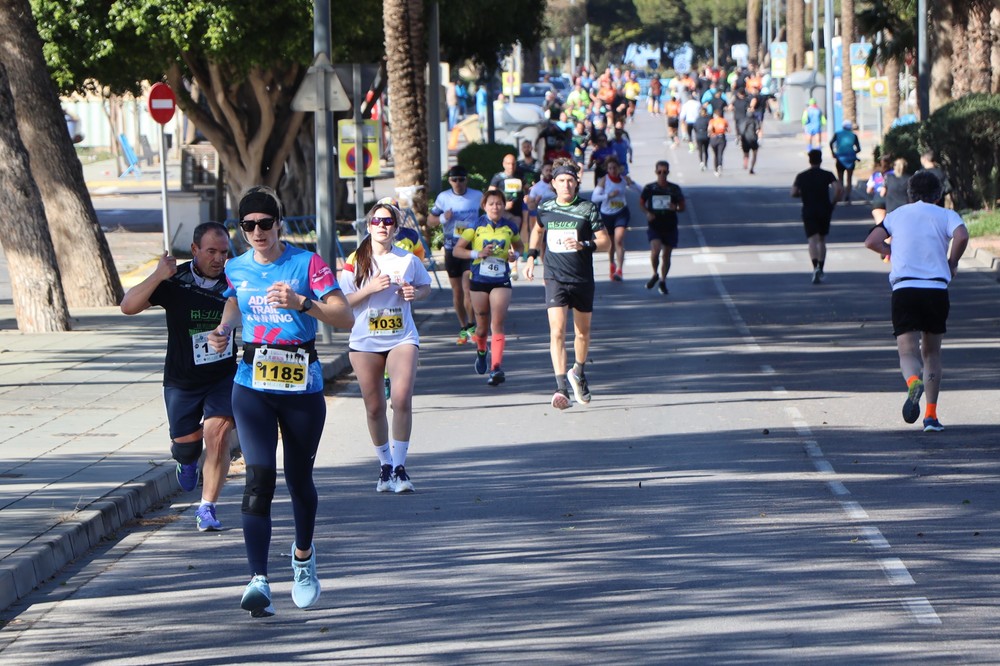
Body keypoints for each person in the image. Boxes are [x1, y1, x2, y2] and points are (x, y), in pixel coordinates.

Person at [207, 186, 353, 618]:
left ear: (279, 225)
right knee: (259, 477)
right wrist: (223, 328)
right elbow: (234, 303)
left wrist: (302, 302)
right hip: (251, 382)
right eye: (248, 225)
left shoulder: (307, 264)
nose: (257, 232)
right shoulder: (236, 267)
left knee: (298, 479)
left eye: (264, 224)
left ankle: (304, 559)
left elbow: (344, 316)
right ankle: (258, 579)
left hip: (301, 386)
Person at [120, 222, 236, 532]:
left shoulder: (235, 279)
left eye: (224, 252)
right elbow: (127, 306)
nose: (218, 259)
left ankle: (207, 507)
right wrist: (159, 274)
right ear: (195, 250)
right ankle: (186, 460)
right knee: (187, 445)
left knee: (219, 434)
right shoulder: (177, 280)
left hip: (223, 376)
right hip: (182, 378)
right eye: (211, 251)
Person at [863, 171, 968, 432]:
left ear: (910, 193)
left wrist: (889, 250)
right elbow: (962, 236)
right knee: (932, 353)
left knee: (907, 351)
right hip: (935, 289)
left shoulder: (897, 216)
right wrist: (952, 262)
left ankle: (913, 382)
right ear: (937, 194)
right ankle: (931, 417)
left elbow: (872, 241)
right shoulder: (946, 215)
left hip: (905, 288)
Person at [340, 202, 432, 492]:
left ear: (395, 227)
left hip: (402, 337)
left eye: (388, 221)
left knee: (402, 399)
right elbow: (342, 303)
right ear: (368, 226)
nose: (382, 225)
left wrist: (413, 292)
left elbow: (425, 286)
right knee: (375, 407)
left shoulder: (406, 259)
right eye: (377, 221)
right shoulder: (355, 260)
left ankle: (401, 468)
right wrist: (369, 289)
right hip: (365, 341)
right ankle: (384, 466)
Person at [523, 161, 611, 409]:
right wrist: (530, 257)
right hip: (555, 277)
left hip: (582, 278)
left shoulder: (587, 208)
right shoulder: (546, 208)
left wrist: (586, 245)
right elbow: (537, 231)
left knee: (582, 332)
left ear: (576, 183)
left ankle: (578, 372)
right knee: (557, 332)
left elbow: (606, 243)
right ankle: (561, 387)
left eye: (570, 180)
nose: (566, 184)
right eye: (561, 180)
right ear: (553, 183)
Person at [453, 190, 523, 386]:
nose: (496, 207)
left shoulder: (509, 227)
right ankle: (482, 351)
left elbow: (519, 247)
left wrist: (514, 257)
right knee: (482, 329)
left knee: (498, 323)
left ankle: (496, 367)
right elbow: (458, 250)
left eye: (499, 203)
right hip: (479, 280)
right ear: (484, 206)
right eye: (491, 204)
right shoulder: (475, 226)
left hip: (501, 279)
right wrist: (478, 253)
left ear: (504, 205)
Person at [428, 165, 483, 343]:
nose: (458, 183)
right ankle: (462, 326)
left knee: (468, 289)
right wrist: (443, 218)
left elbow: (487, 213)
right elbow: (430, 221)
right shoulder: (443, 198)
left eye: (461, 179)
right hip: (451, 248)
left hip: (468, 247)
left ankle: (471, 324)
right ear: (450, 181)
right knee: (457, 292)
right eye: (454, 180)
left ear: (466, 179)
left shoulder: (477, 196)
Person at [791, 150, 843, 284]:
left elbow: (793, 192)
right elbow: (838, 189)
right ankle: (821, 266)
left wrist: (801, 194)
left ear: (809, 160)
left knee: (812, 240)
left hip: (808, 210)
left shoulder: (802, 176)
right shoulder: (827, 175)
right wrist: (834, 202)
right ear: (820, 160)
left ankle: (814, 267)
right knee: (822, 240)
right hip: (824, 209)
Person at [638, 160, 686, 295]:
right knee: (655, 250)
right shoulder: (650, 188)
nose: (662, 174)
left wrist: (675, 207)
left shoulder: (674, 189)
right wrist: (647, 212)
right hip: (655, 224)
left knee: (666, 255)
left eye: (665, 172)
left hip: (670, 225)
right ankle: (655, 273)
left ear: (668, 172)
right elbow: (641, 203)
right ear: (656, 172)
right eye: (660, 172)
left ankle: (663, 280)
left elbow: (682, 206)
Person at [591, 156, 639, 282]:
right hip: (606, 214)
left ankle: (620, 270)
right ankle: (612, 264)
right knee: (611, 243)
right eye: (610, 168)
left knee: (619, 240)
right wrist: (608, 196)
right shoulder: (604, 180)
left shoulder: (623, 179)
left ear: (619, 169)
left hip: (621, 213)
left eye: (614, 168)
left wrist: (632, 183)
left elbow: (639, 189)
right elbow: (594, 198)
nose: (612, 170)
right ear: (607, 169)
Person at [829, 120, 861, 203]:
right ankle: (848, 195)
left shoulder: (837, 134)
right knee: (849, 178)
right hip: (850, 159)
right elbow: (858, 149)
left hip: (840, 158)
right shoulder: (854, 136)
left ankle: (840, 194)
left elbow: (831, 142)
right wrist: (852, 153)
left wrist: (833, 152)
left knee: (840, 178)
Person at [708, 107, 729, 176]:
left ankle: (716, 169)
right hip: (722, 137)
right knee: (720, 153)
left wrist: (711, 134)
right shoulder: (724, 120)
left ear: (715, 114)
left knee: (715, 154)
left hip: (714, 138)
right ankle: (720, 165)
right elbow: (728, 129)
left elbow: (709, 129)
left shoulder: (712, 121)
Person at [693, 106, 711, 171]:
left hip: (699, 136)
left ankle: (701, 162)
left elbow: (695, 127)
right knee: (705, 150)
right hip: (706, 136)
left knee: (700, 150)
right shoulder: (708, 119)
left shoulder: (697, 119)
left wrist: (697, 132)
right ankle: (705, 164)